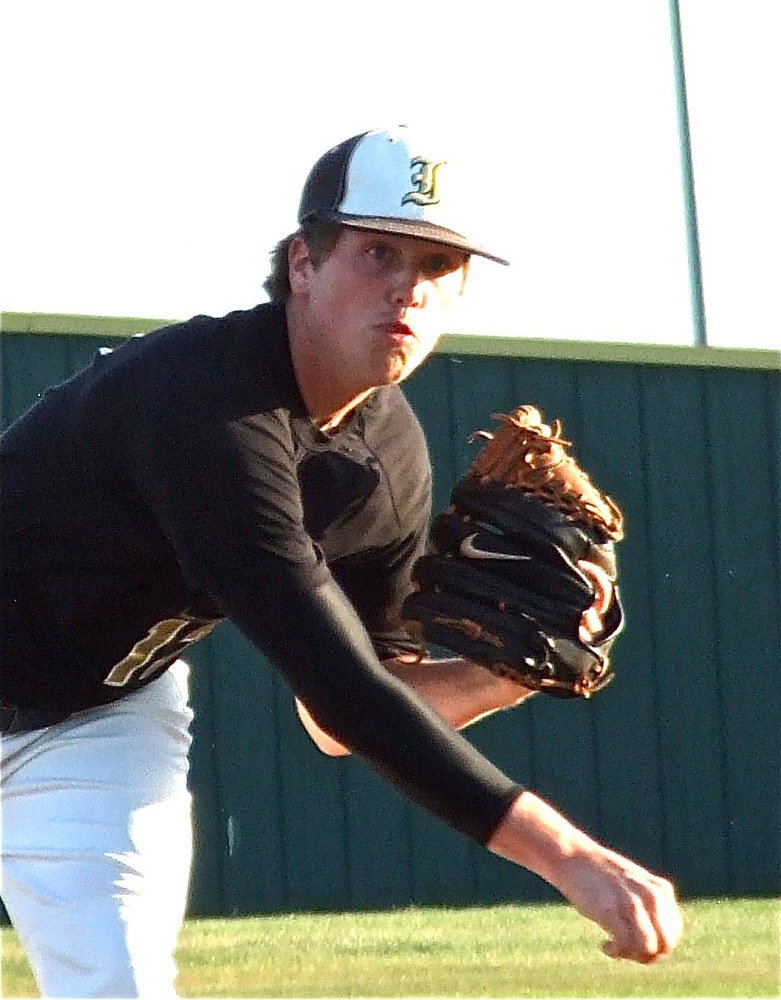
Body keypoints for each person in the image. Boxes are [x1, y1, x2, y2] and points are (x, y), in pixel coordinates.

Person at [0, 126, 683, 998]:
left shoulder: (385, 462)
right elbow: (344, 694)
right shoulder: (206, 410)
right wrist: (570, 857)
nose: (407, 286)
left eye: (437, 266)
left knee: (120, 987)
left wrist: (498, 677)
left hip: (92, 722)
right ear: (301, 266)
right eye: (377, 252)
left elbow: (344, 711)